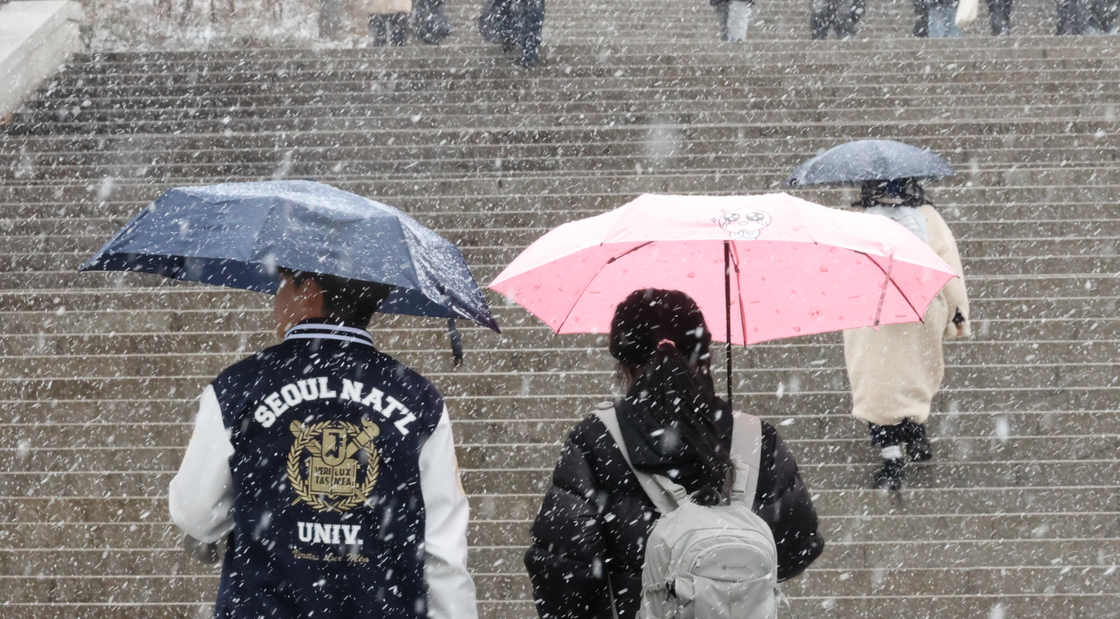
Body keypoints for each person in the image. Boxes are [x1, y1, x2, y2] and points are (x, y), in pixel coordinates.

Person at [168, 270, 477, 619]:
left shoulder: (238, 387)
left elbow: (195, 513)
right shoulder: (420, 399)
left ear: (308, 290)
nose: (277, 296)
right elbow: (444, 555)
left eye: (283, 282)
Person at [524, 289, 824, 619]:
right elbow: (798, 546)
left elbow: (563, 568)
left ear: (624, 363)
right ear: (705, 356)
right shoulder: (755, 437)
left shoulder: (596, 440)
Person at [842, 179, 970, 491]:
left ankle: (891, 458)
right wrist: (957, 311)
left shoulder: (854, 218)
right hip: (920, 309)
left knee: (877, 386)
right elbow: (948, 264)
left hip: (871, 313)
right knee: (913, 375)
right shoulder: (927, 215)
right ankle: (915, 429)